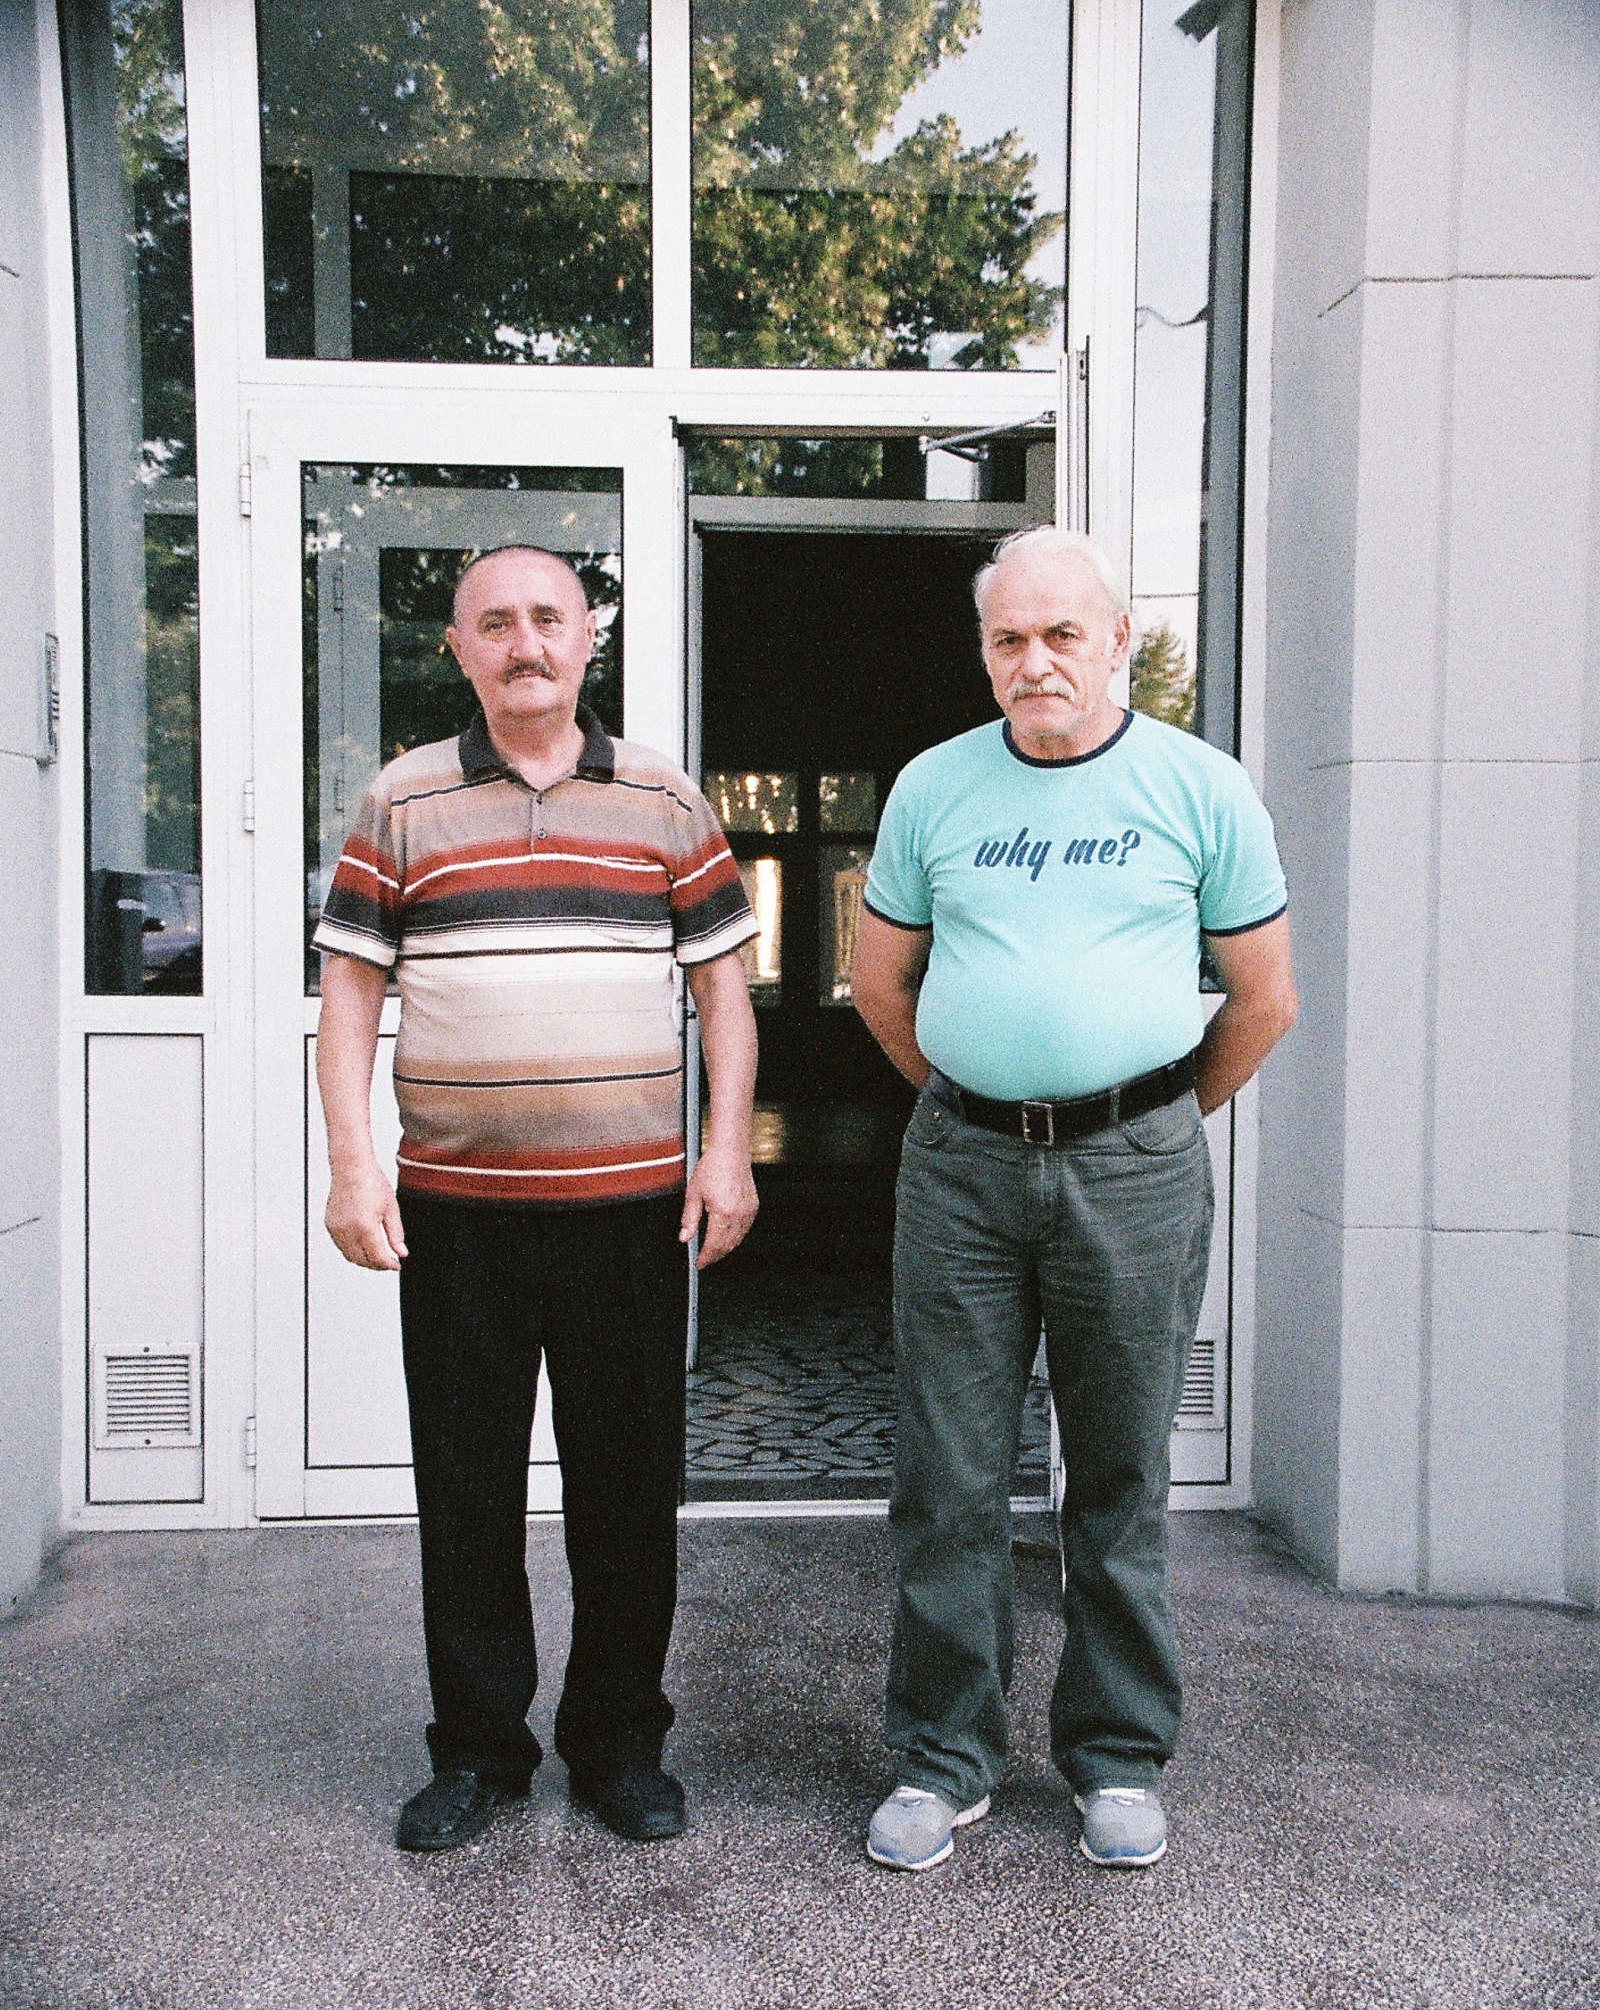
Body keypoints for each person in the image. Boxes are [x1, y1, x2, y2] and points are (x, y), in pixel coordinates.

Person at [852, 524, 1296, 1873]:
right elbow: (880, 984)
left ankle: (1116, 1755)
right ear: (985, 652)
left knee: (1118, 1473)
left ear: (1117, 640)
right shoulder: (934, 787)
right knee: (947, 1472)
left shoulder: (1200, 788)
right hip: (962, 1170)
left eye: (1061, 634)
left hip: (1135, 1166)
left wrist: (1138, 1117)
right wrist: (988, 1097)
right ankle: (943, 1758)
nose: (1034, 661)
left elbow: (1264, 999)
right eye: (1009, 638)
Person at [313, 544, 759, 1853]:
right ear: (459, 649)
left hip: (632, 1213)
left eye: (549, 618)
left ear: (587, 637)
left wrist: (726, 1153)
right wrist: (352, 1165)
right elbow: (348, 1001)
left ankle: (619, 1747)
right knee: (468, 1495)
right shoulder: (402, 800)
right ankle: (477, 1753)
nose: (527, 643)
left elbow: (724, 995)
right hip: (459, 1216)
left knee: (629, 1493)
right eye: (497, 623)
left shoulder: (664, 798)